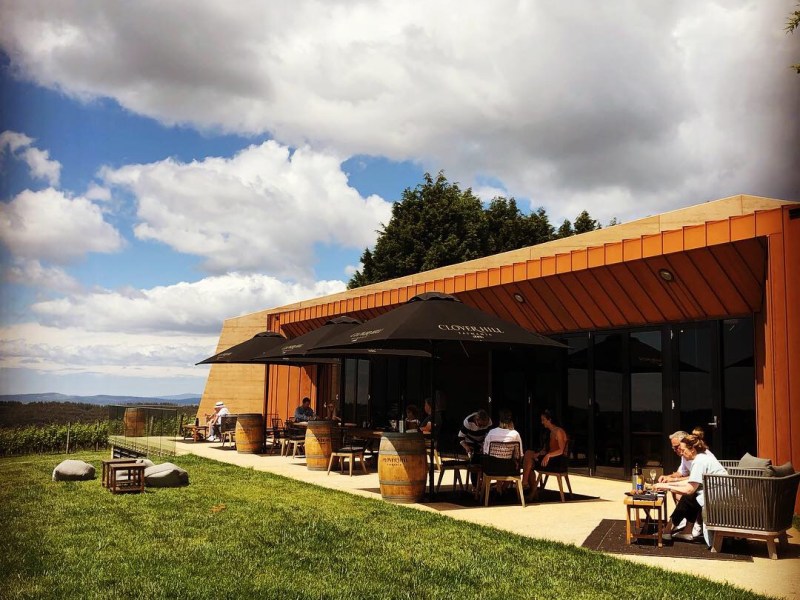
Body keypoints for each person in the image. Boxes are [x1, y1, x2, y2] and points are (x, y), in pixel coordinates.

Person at [653, 434, 727, 542]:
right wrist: (668, 484)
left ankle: (668, 530)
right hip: (717, 492)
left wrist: (666, 487)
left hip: (720, 496)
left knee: (690, 495)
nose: (681, 453)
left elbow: (689, 489)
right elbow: (689, 481)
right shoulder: (699, 458)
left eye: (683, 450)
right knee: (692, 496)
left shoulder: (699, 461)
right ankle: (682, 531)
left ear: (692, 449)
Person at [521, 410, 567, 501]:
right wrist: (540, 453)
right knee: (529, 459)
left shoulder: (558, 431)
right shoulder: (550, 432)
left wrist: (548, 455)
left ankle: (526, 483)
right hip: (550, 458)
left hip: (558, 461)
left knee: (528, 458)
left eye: (543, 420)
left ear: (549, 420)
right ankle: (530, 489)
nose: (542, 422)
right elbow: (547, 449)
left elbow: (561, 450)